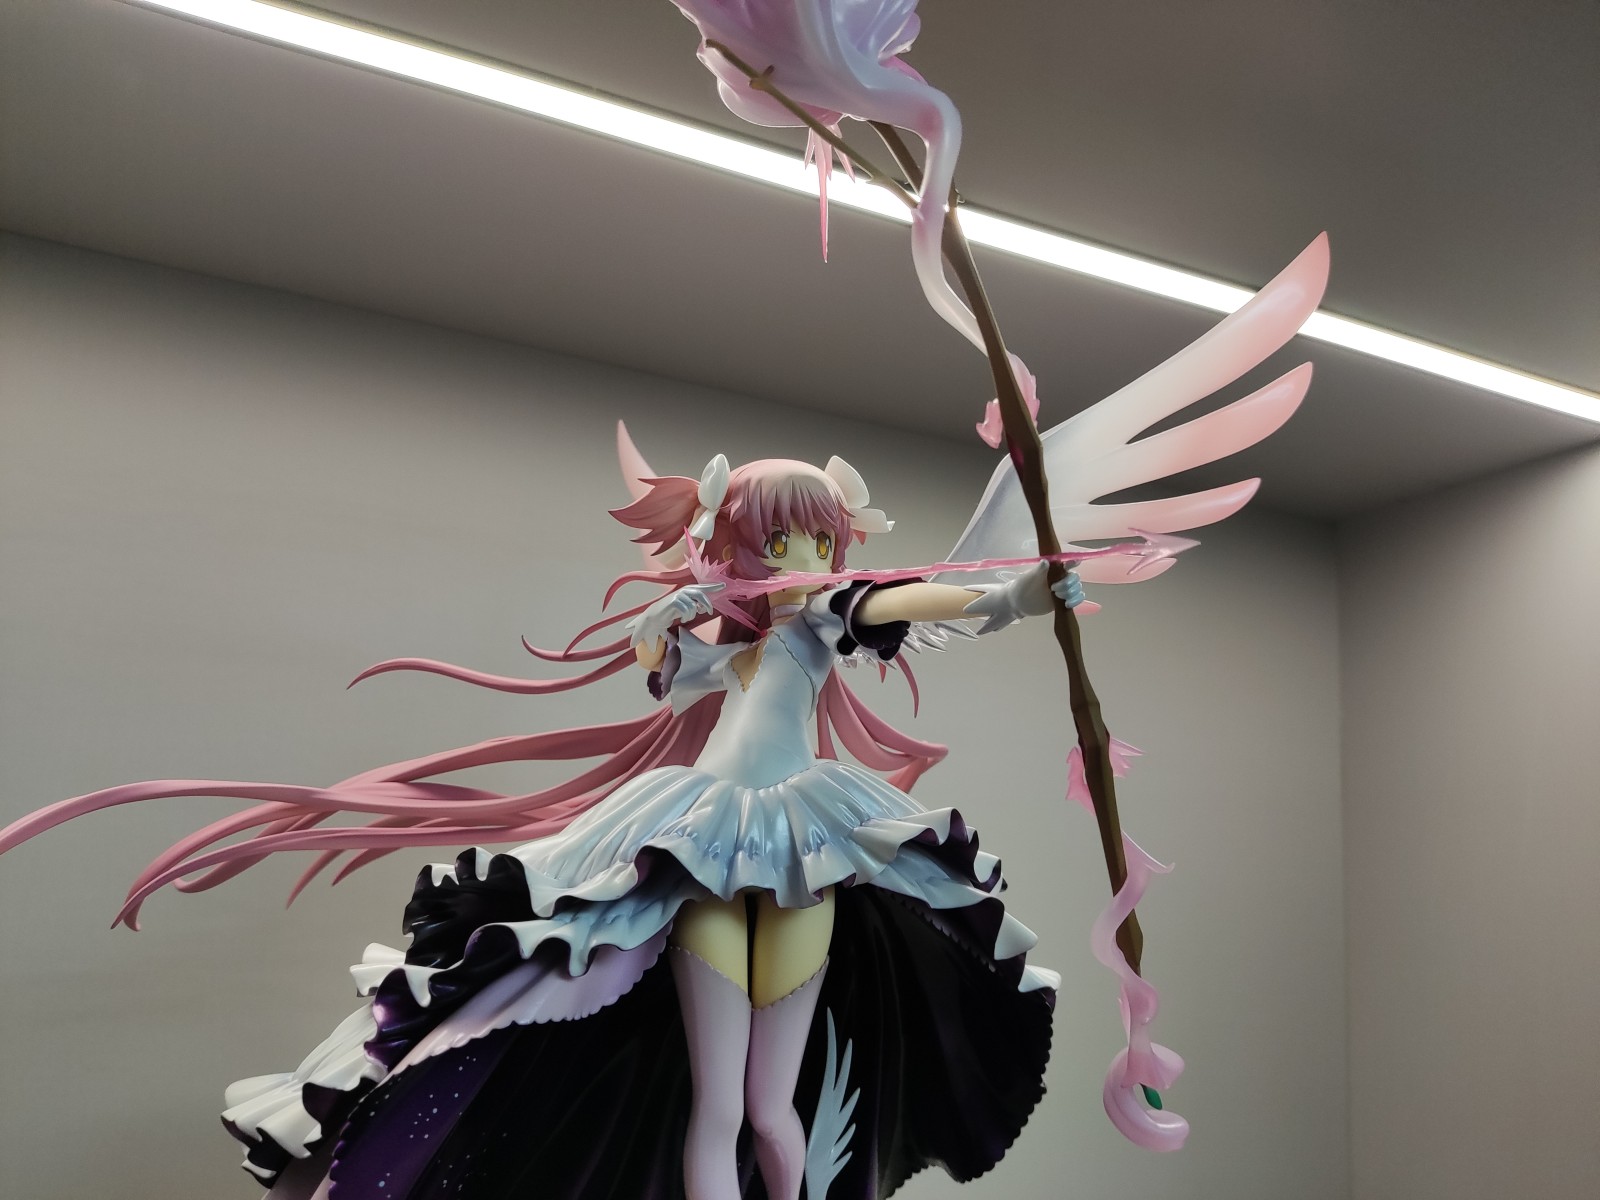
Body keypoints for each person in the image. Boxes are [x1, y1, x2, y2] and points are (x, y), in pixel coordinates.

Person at [2, 439, 1080, 1200]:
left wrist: (1021, 595)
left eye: (817, 542)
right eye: (781, 541)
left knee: (769, 1106)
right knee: (718, 1105)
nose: (803, 561)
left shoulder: (828, 615)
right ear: (742, 545)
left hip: (800, 846)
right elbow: (667, 674)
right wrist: (674, 617)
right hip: (700, 846)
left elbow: (918, 599)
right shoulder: (731, 639)